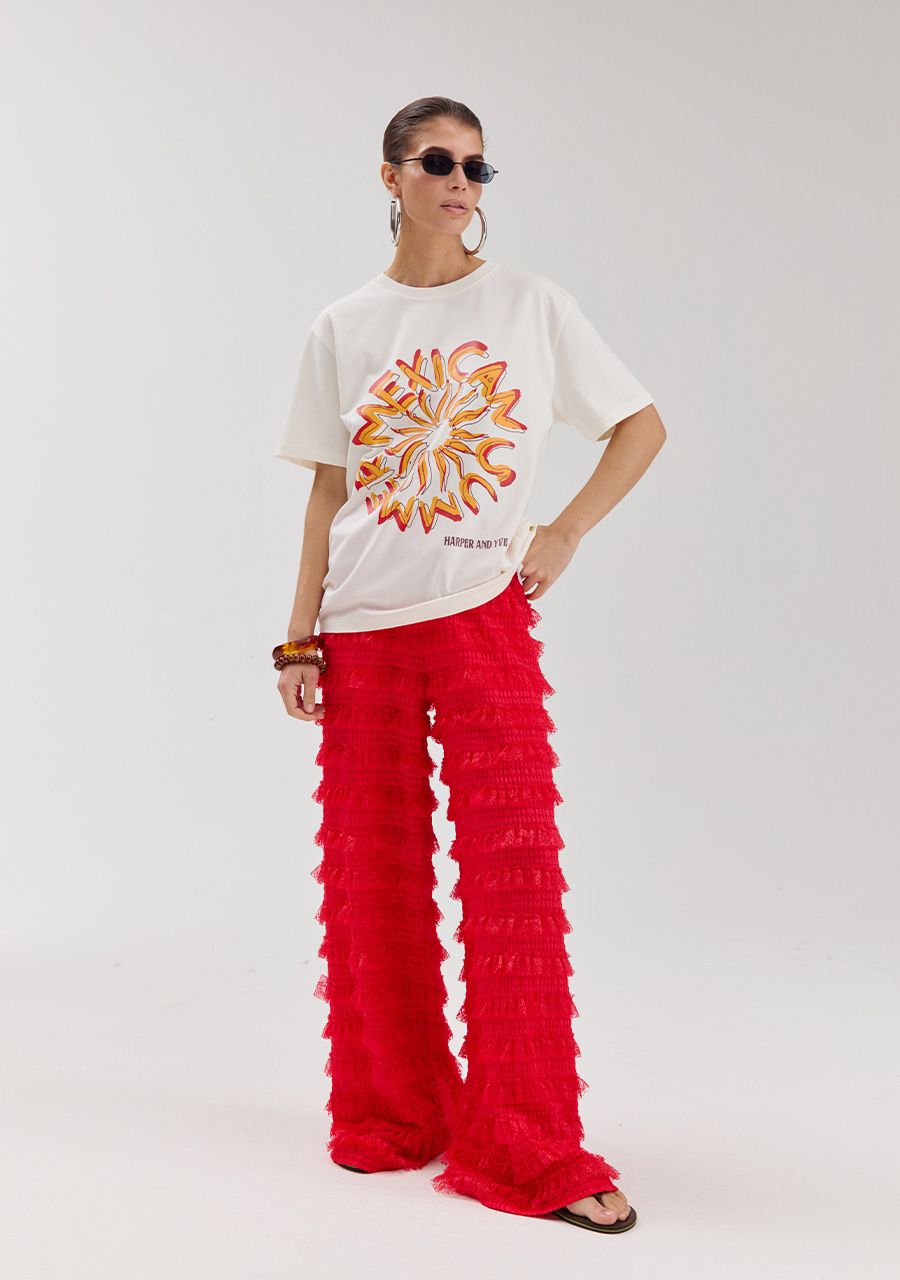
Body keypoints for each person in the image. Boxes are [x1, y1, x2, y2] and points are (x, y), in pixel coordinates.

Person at [273, 95, 666, 1235]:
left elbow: (639, 425)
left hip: (482, 615)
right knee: (370, 882)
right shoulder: (343, 325)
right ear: (390, 176)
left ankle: (528, 1141)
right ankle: (392, 1112)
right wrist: (298, 634)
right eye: (439, 161)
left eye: (478, 167)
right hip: (361, 627)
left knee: (513, 883)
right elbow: (330, 488)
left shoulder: (532, 305)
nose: (461, 182)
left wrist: (565, 532)